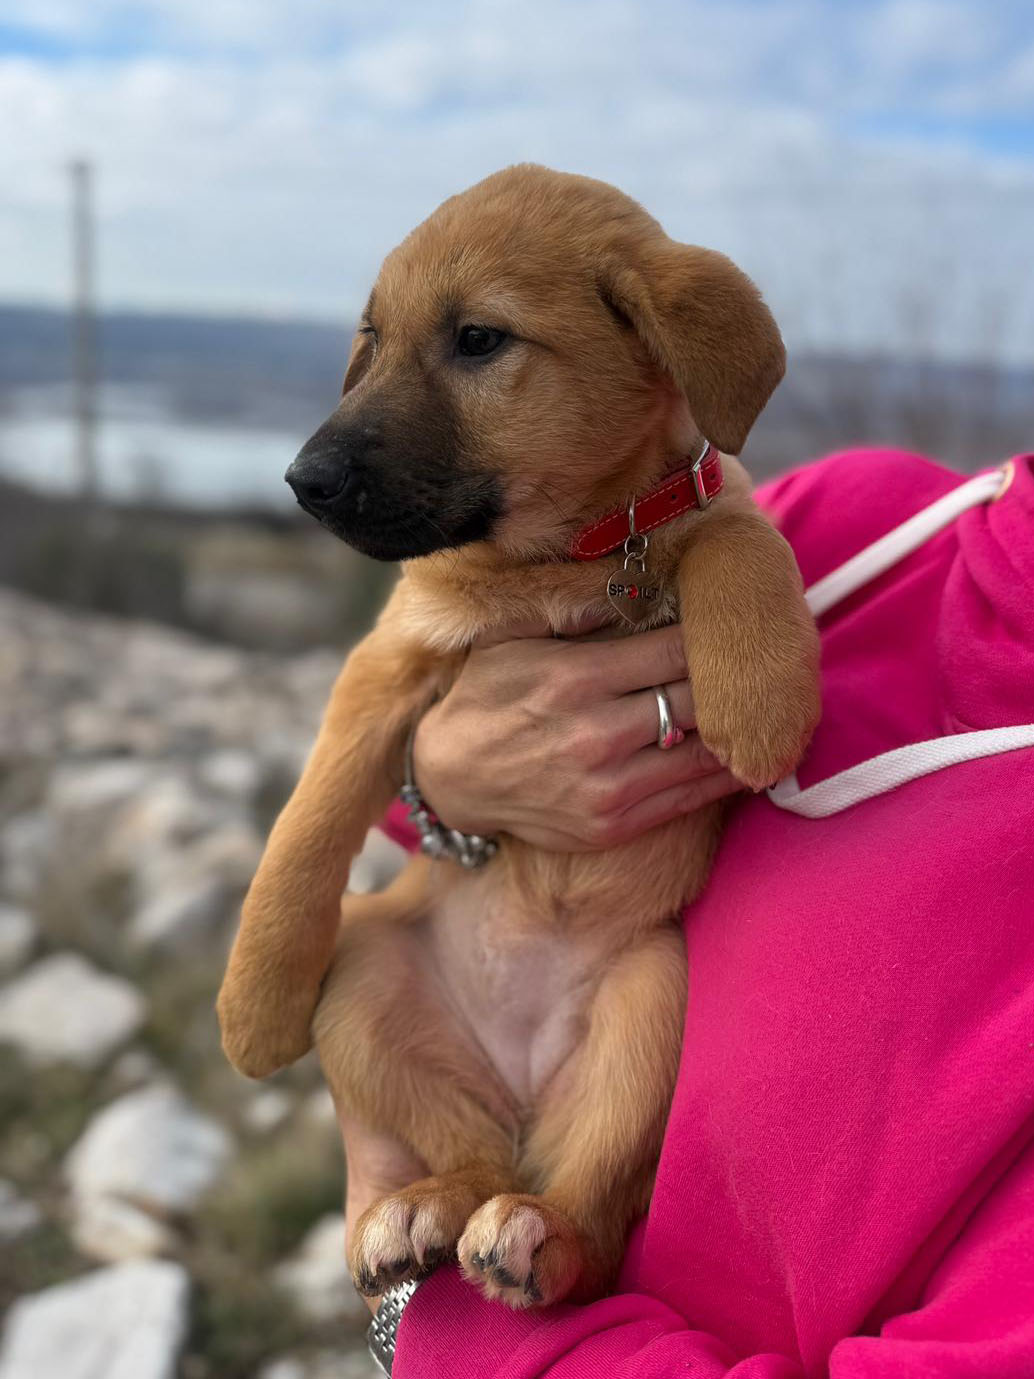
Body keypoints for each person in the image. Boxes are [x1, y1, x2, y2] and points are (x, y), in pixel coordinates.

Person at [339, 446, 1034, 1377]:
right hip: (475, 1068)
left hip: (527, 1281)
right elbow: (409, 801)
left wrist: (425, 1326)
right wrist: (444, 776)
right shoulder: (859, 513)